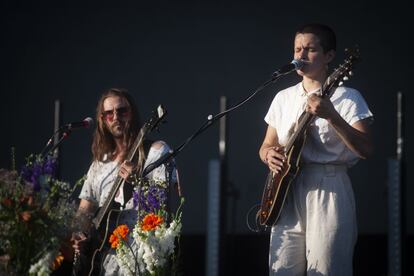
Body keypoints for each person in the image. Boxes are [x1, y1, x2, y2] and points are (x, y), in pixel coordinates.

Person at [259, 24, 373, 275]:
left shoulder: (348, 97)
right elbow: (266, 145)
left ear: (329, 56)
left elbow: (365, 148)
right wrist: (268, 154)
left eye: (309, 49)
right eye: (297, 49)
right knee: (281, 269)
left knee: (327, 267)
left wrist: (333, 116)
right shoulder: (283, 97)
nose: (300, 55)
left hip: (328, 186)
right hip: (286, 191)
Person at [71, 88, 176, 275]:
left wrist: (138, 181)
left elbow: (165, 201)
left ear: (132, 113)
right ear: (102, 120)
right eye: (109, 114)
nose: (116, 117)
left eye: (122, 111)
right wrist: (80, 234)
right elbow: (85, 209)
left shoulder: (156, 151)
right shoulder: (99, 163)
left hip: (142, 258)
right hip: (104, 263)